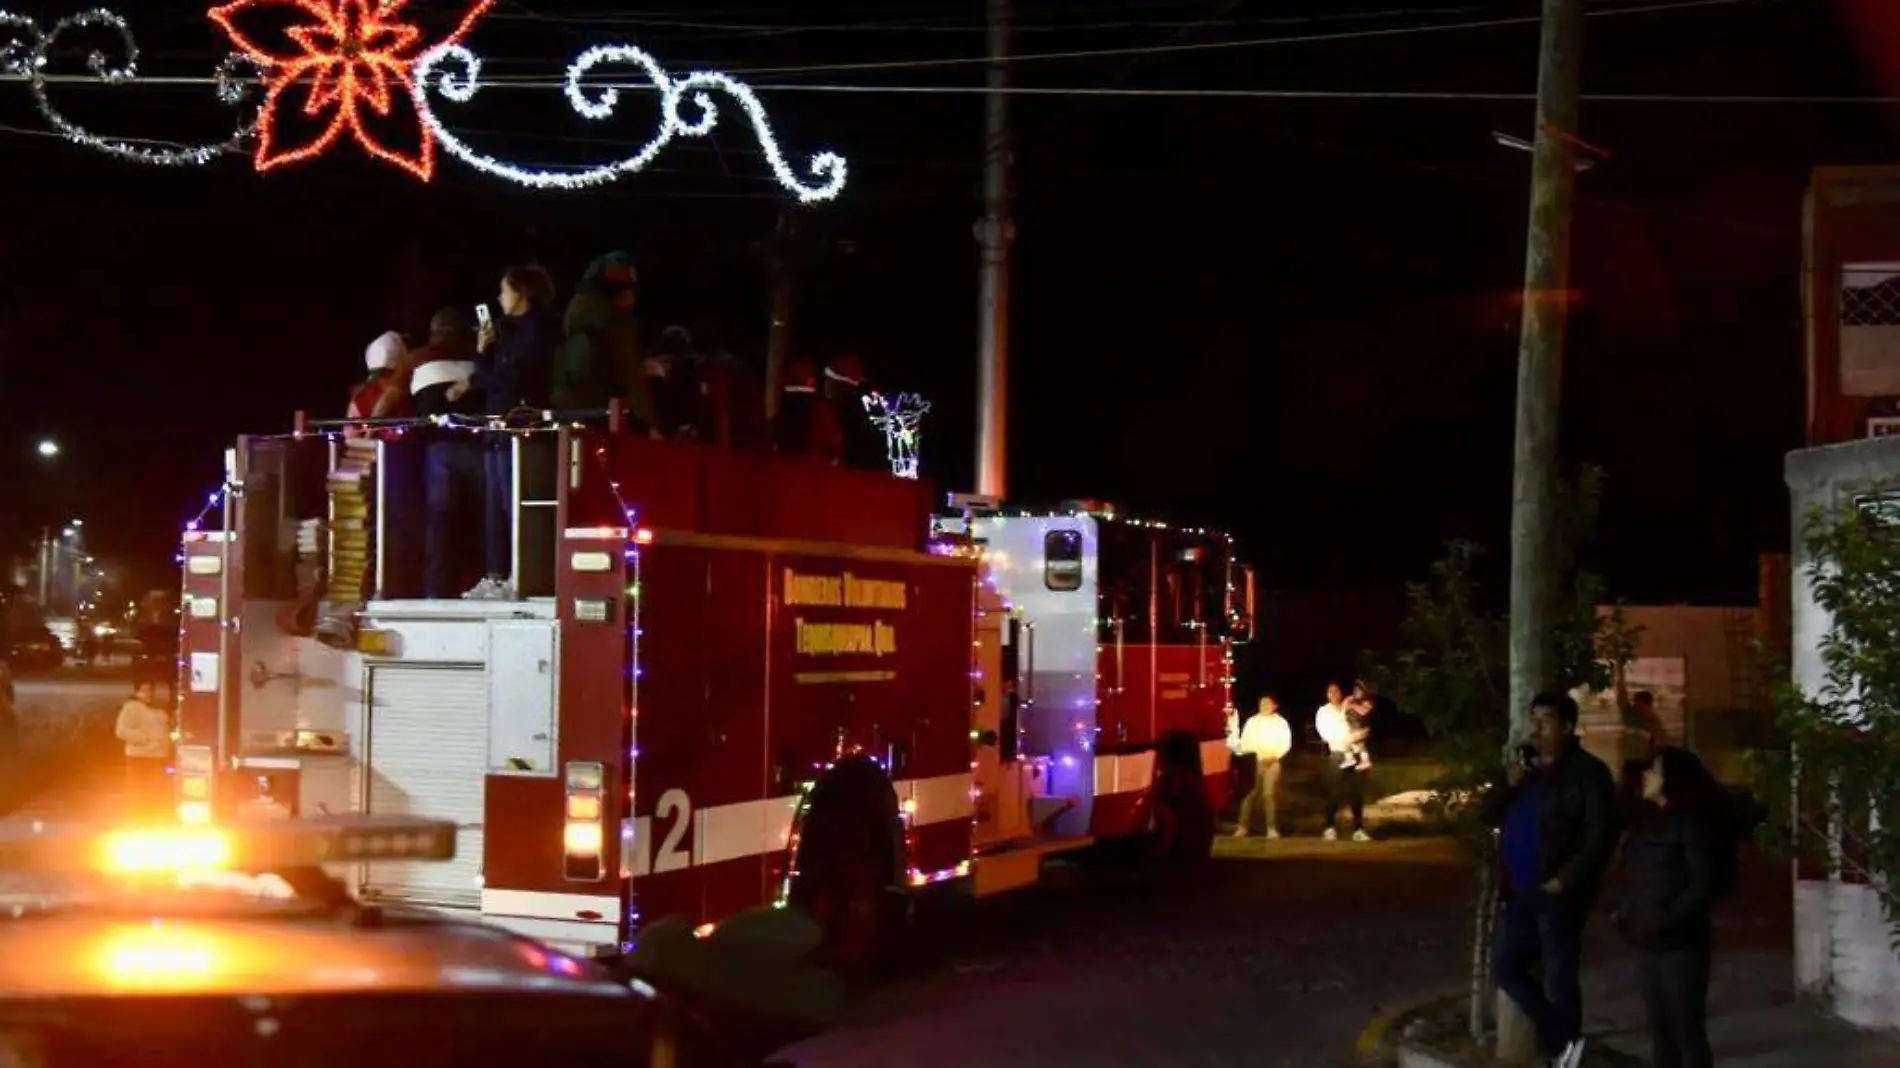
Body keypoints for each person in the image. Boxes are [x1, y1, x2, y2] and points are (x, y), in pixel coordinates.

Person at [1484, 691, 1621, 1068]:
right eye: (1534, 721)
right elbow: (1487, 815)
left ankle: (1564, 1053)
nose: (1537, 730)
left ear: (1567, 726)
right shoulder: (1526, 771)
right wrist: (1509, 784)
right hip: (1520, 891)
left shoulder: (1587, 773)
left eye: (1545, 722)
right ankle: (1567, 1041)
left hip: (1557, 892)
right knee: (1508, 970)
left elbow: (1601, 835)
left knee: (1560, 974)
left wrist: (1566, 879)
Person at [1615, 747, 1731, 1068]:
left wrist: (1668, 918)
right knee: (1660, 1031)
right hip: (1646, 938)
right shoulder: (1645, 822)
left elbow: (1701, 884)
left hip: (1680, 943)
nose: (1647, 777)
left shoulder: (1691, 825)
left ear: (1672, 780)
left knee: (1686, 1031)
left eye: (1654, 771)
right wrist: (1627, 912)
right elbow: (1633, 876)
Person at [470, 265, 558, 599]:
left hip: (518, 429)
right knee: (494, 505)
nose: (499, 297)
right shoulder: (505, 333)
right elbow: (491, 377)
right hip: (495, 427)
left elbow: (511, 378)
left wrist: (480, 375)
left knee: (513, 503)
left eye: (504, 290)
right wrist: (483, 351)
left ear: (522, 292)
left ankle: (518, 573)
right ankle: (494, 575)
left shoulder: (536, 332)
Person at [1315, 681, 1371, 841]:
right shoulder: (1324, 712)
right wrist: (1348, 738)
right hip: (1338, 754)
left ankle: (1358, 829)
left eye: (1337, 691)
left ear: (1341, 693)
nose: (1334, 695)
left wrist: (1362, 734)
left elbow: (1361, 723)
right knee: (1334, 792)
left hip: (1355, 754)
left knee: (1357, 792)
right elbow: (1326, 733)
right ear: (1327, 695)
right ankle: (1329, 827)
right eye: (1330, 692)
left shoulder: (1350, 707)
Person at [1233, 693, 1292, 838]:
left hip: (1273, 762)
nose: (1264, 706)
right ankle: (1243, 826)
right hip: (1255, 762)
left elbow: (1286, 742)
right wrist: (1256, 755)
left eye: (1267, 703)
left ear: (1274, 706)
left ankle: (1271, 828)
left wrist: (1274, 755)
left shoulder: (1281, 723)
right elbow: (1246, 741)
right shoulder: (1253, 722)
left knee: (1269, 794)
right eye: (1262, 703)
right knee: (1249, 795)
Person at [115, 681, 170, 819]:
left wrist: (166, 744)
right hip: (139, 757)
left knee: (155, 793)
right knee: (139, 792)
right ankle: (138, 819)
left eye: (151, 689)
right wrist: (143, 739)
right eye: (144, 689)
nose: (148, 692)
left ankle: (151, 818)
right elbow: (121, 730)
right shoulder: (132, 707)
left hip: (158, 757)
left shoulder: (157, 710)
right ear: (137, 691)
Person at [347, 329, 413, 431]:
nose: (383, 378)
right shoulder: (361, 396)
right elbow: (350, 437)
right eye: (379, 373)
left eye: (387, 372)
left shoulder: (412, 386)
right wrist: (374, 442)